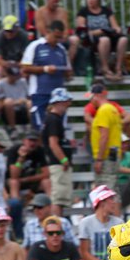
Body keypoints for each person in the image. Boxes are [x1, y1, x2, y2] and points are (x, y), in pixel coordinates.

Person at [21, 20, 71, 129]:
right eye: (55, 36)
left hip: (58, 95)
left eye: (60, 38)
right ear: (48, 32)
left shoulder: (61, 49)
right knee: (40, 126)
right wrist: (45, 69)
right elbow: (25, 68)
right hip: (40, 92)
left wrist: (67, 72)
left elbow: (69, 70)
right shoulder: (35, 46)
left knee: (59, 127)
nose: (57, 40)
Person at [5, 130, 51, 240]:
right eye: (30, 140)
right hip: (14, 185)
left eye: (35, 140)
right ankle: (16, 202)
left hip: (29, 182)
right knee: (13, 181)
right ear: (24, 141)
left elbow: (46, 173)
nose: (32, 143)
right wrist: (21, 158)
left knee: (46, 181)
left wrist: (26, 179)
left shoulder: (39, 151)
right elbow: (13, 175)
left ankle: (50, 205)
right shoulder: (14, 150)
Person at [76, 0, 128, 81]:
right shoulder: (83, 12)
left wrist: (117, 29)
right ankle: (105, 68)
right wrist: (98, 31)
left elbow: (115, 26)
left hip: (108, 34)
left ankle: (118, 68)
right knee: (105, 40)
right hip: (93, 39)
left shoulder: (106, 10)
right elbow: (82, 32)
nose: (90, 0)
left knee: (123, 39)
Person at [41, 87, 74, 216]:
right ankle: (56, 222)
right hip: (58, 164)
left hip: (57, 163)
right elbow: (53, 143)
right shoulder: (54, 119)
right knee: (58, 199)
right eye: (66, 101)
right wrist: (63, 160)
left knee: (60, 198)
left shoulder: (52, 118)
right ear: (59, 102)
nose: (68, 104)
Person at [88, 84, 123, 189]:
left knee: (105, 190)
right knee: (114, 189)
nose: (90, 101)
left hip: (106, 157)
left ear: (97, 96)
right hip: (114, 154)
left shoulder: (103, 111)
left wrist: (99, 159)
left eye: (91, 97)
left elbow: (104, 136)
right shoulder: (113, 109)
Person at [35, 0, 80, 65]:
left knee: (75, 40)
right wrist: (52, 38)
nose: (55, 4)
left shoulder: (62, 12)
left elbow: (66, 28)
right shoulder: (40, 12)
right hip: (46, 38)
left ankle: (68, 65)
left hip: (61, 38)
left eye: (57, 1)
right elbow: (42, 30)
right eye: (54, 1)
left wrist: (63, 37)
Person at [0, 66, 31, 137]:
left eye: (16, 75)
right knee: (8, 102)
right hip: (8, 108)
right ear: (7, 74)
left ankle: (32, 128)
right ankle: (12, 128)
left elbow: (29, 96)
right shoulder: (0, 84)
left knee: (30, 103)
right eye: (13, 75)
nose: (15, 77)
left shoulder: (22, 81)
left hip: (23, 106)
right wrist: (15, 102)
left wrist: (24, 100)